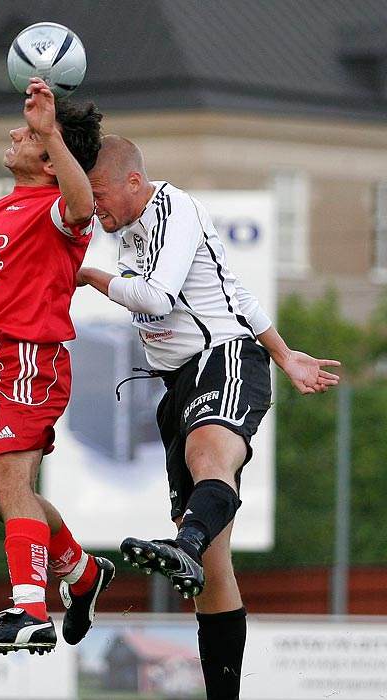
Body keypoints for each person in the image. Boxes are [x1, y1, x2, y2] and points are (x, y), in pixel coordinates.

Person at [77, 134, 341, 699]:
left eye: (99, 192)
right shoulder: (123, 228)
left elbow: (156, 299)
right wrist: (287, 351)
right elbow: (233, 285)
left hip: (222, 357)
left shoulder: (175, 207)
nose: (94, 205)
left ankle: (186, 545)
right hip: (177, 384)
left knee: (208, 457)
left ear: (132, 181)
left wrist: (93, 277)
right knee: (212, 573)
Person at [0, 78, 114, 656]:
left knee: (9, 483)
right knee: (3, 500)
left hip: (27, 357)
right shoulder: (3, 207)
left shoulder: (55, 208)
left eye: (28, 132)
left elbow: (81, 204)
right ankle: (82, 570)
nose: (15, 132)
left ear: (49, 159)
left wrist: (51, 132)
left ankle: (30, 610)